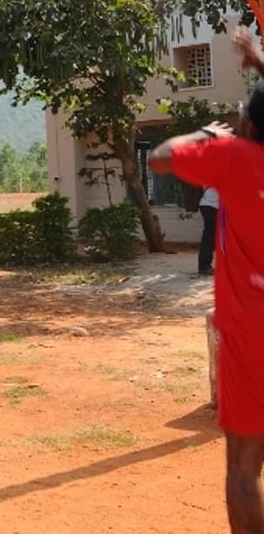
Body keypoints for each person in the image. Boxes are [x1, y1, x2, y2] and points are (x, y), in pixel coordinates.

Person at [148, 27, 264, 534]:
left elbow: (159, 156)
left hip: (249, 335)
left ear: (248, 123)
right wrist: (259, 64)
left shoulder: (234, 155)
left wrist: (205, 135)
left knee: (243, 470)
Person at [197, 186, 219, 276]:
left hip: (209, 205)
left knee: (210, 236)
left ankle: (204, 266)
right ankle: (204, 266)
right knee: (209, 236)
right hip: (211, 205)